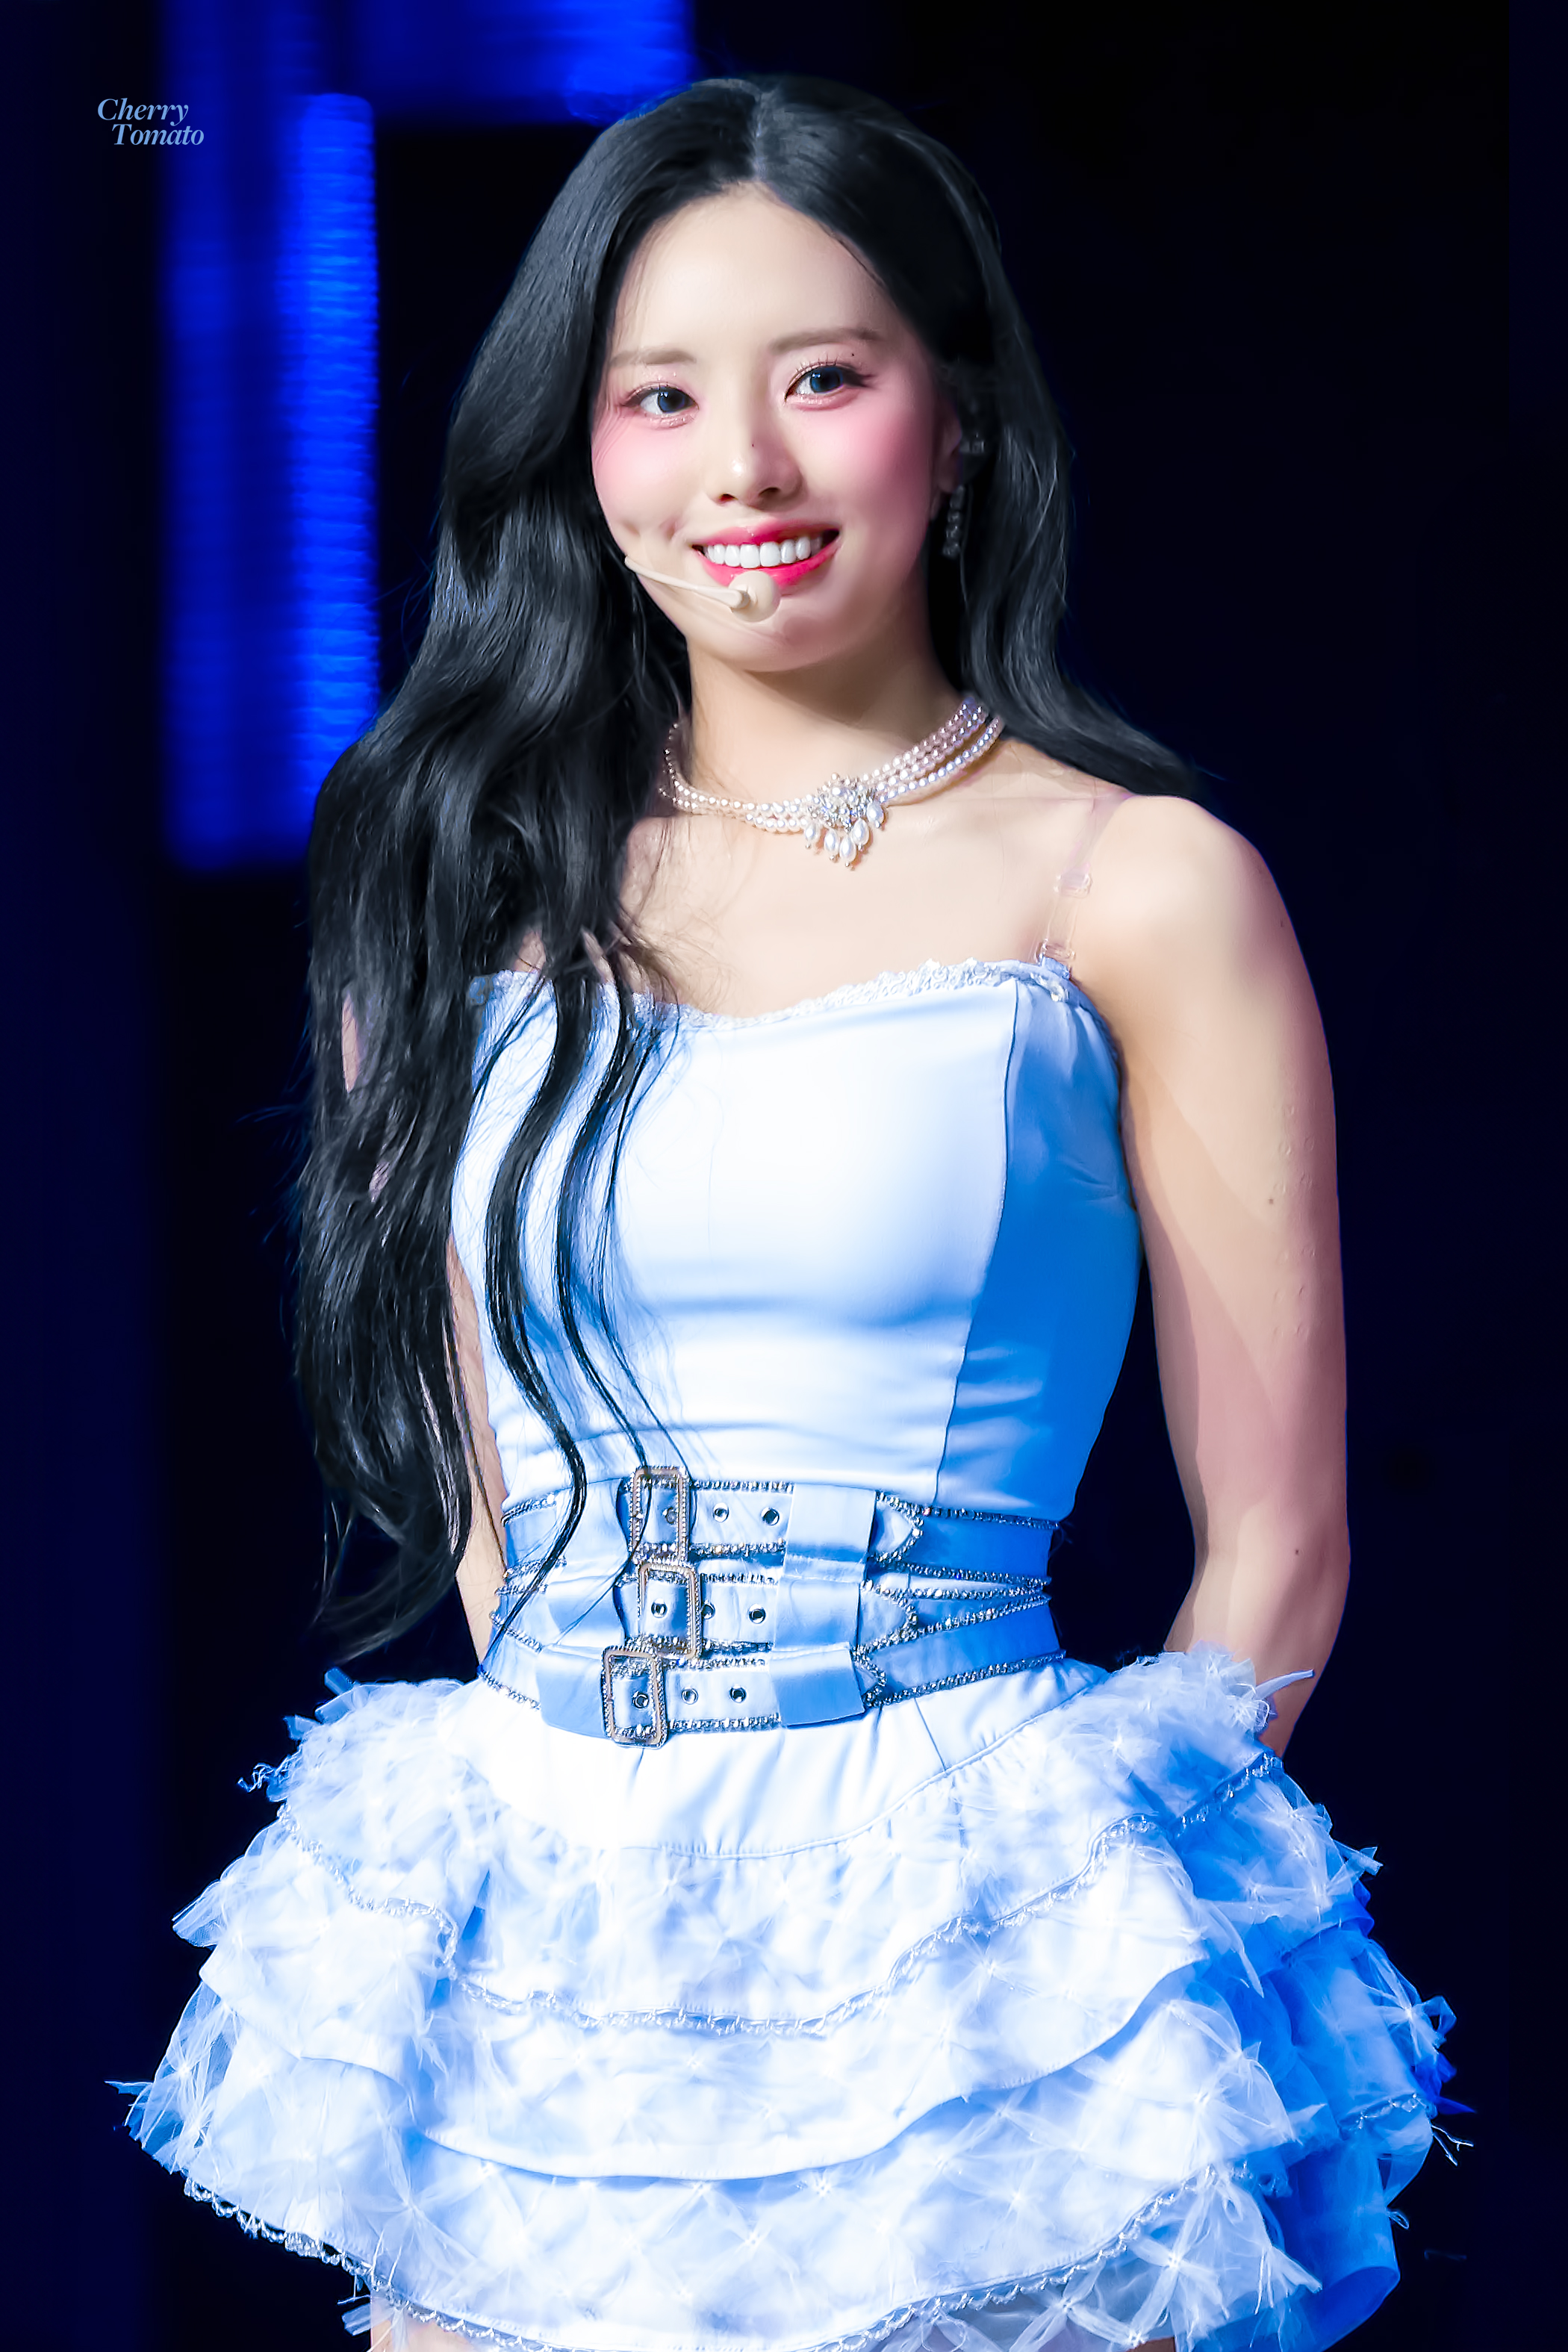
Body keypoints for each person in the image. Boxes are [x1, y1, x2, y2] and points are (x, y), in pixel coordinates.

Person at [126, 75, 1453, 2352]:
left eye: (820, 379)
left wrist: (1060, 1965)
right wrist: (615, 1909)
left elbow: (1276, 1548)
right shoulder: (453, 888)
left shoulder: (1136, 883)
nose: (737, 468)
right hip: (554, 1952)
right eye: (657, 397)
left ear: (960, 419)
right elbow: (488, 1497)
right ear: (579, 451)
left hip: (972, 1949)